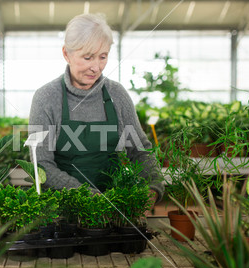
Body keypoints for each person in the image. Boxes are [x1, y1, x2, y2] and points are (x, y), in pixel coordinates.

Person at [29, 14, 164, 206]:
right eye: (88, 57)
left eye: (103, 57)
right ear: (66, 54)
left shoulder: (117, 95)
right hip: (62, 208)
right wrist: (89, 197)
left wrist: (152, 187)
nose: (96, 67)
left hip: (115, 207)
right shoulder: (46, 98)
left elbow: (140, 150)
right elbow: (42, 165)